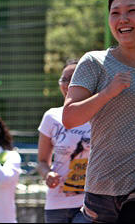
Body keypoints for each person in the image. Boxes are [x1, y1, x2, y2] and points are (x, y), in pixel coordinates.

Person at [63, 0, 135, 223]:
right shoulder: (94, 62)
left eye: (132, 11)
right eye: (115, 13)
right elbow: (69, 118)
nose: (122, 18)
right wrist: (107, 93)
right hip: (102, 186)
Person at [37, 59, 91, 223]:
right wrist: (48, 174)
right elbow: (41, 161)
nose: (67, 84)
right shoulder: (51, 116)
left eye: (74, 78)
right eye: (64, 79)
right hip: (56, 203)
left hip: (89, 203)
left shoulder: (99, 115)